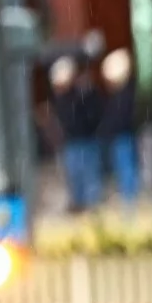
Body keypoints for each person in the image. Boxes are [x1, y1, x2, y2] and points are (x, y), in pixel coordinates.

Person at [47, 56, 101, 212]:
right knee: (75, 177)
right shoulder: (62, 98)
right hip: (71, 143)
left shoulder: (82, 94)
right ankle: (78, 205)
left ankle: (91, 207)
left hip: (84, 140)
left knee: (89, 177)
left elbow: (90, 115)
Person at [98, 49, 140, 205]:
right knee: (123, 171)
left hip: (124, 137)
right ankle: (127, 199)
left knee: (127, 170)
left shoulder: (125, 95)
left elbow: (121, 118)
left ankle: (130, 201)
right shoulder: (119, 95)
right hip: (119, 138)